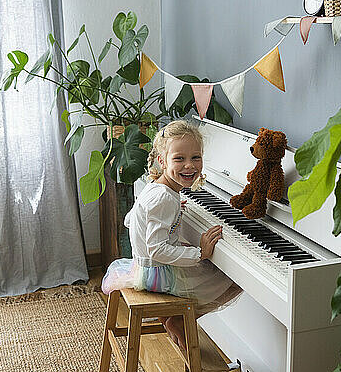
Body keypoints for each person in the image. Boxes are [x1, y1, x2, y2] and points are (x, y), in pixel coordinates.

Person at [101, 120, 241, 350]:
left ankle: (171, 317)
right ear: (161, 160)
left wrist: (172, 217)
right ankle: (178, 318)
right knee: (232, 280)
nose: (189, 166)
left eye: (196, 157)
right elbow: (157, 249)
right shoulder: (164, 197)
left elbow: (130, 219)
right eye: (179, 159)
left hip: (144, 268)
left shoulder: (156, 187)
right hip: (159, 275)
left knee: (215, 275)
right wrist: (200, 253)